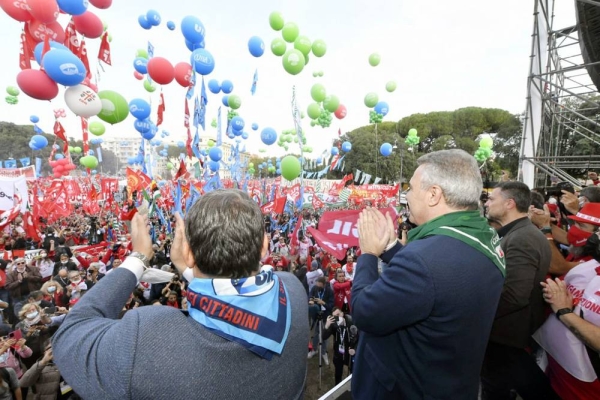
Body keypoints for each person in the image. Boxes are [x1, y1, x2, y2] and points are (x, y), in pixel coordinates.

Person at [52, 189, 307, 399]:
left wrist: (139, 257)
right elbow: (230, 302)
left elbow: (71, 334)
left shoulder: (148, 339)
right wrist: (185, 268)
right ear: (264, 246)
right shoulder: (292, 290)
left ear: (190, 253)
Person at [352, 149, 506, 399]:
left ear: (434, 194)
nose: (406, 195)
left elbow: (363, 311)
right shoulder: (485, 237)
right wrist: (390, 249)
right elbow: (437, 285)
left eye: (411, 188)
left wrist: (368, 253)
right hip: (452, 382)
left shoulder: (424, 259)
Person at [482, 182, 559, 400]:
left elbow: (515, 295)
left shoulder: (522, 238)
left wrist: (476, 315)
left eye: (492, 199)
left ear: (509, 204)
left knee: (500, 389)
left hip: (507, 334)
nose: (487, 203)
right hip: (506, 334)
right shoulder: (517, 233)